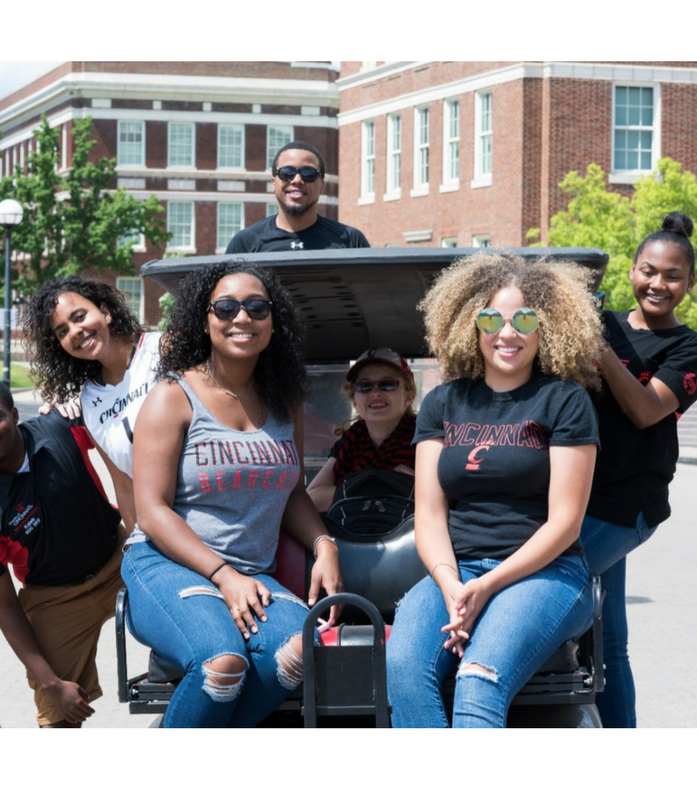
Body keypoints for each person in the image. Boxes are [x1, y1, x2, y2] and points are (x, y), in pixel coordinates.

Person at [386, 252, 603, 727]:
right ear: (471, 324)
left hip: (544, 574)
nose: (508, 332)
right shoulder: (443, 401)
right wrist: (452, 586)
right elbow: (429, 514)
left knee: (479, 679)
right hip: (456, 571)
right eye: (492, 318)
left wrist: (487, 585)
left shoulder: (566, 401)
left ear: (546, 325)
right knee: (402, 667)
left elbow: (565, 524)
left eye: (524, 318)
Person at [124, 260, 344, 727]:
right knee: (222, 664)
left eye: (255, 308)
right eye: (225, 308)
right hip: (166, 566)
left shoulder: (284, 401)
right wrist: (223, 576)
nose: (240, 318)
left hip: (250, 574)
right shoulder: (173, 396)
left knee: (299, 652)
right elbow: (151, 511)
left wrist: (324, 544)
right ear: (204, 320)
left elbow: (291, 493)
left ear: (272, 321)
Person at [580, 211, 697, 728]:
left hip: (628, 505)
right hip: (576, 497)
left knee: (548, 587)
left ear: (689, 284)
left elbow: (648, 409)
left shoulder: (688, 346)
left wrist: (599, 346)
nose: (658, 283)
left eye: (672, 275)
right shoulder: (600, 320)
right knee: (609, 640)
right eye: (649, 270)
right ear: (632, 270)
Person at [0, 378, 125, 728]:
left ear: (15, 414)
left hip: (120, 562)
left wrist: (79, 402)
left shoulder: (60, 427)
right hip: (54, 598)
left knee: (185, 645)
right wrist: (50, 682)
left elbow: (123, 426)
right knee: (57, 711)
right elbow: (4, 606)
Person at [24, 276, 160, 532]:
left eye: (79, 317)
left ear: (105, 312)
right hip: (162, 534)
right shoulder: (90, 402)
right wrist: (139, 551)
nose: (75, 331)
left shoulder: (163, 351)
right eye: (63, 331)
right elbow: (123, 486)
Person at [307, 347, 416, 512]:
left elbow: (446, 499)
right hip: (351, 533)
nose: (375, 392)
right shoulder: (350, 441)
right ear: (355, 401)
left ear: (408, 397)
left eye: (387, 384)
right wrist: (379, 485)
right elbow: (312, 498)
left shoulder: (425, 440)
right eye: (365, 386)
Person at [225, 141, 370, 253]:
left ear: (322, 186)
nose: (297, 180)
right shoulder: (245, 243)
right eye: (287, 173)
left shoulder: (351, 241)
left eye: (309, 173)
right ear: (274, 183)